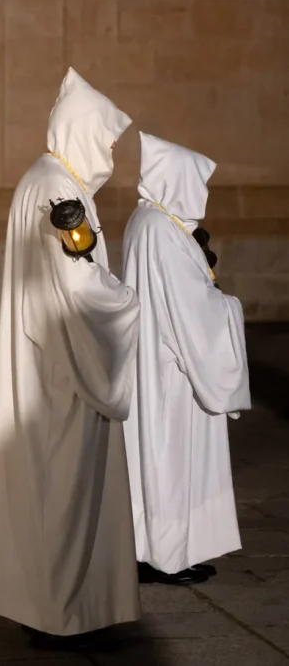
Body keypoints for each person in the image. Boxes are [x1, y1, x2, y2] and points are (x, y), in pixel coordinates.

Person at [0, 68, 142, 651]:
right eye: (108, 137)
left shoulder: (45, 179)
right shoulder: (58, 191)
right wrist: (127, 301)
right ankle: (62, 613)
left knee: (46, 489)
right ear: (83, 131)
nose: (113, 150)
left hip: (46, 361)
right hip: (63, 369)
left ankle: (51, 606)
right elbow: (79, 291)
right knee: (64, 489)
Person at [122, 133, 250, 586]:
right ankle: (168, 553)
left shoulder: (152, 222)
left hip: (159, 365)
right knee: (172, 458)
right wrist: (229, 308)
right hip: (174, 371)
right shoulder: (161, 230)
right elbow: (190, 309)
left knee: (158, 457)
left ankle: (153, 547)